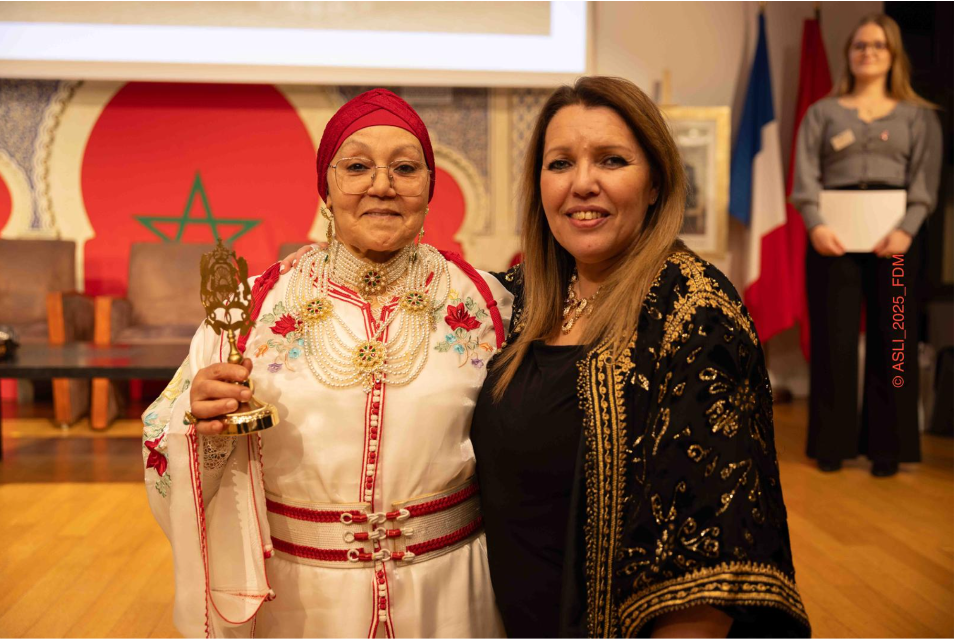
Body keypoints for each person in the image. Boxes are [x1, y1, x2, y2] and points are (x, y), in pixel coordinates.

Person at [282, 77, 809, 637]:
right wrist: (315, 281)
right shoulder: (519, 298)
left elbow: (710, 564)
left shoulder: (694, 315)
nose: (583, 184)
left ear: (655, 181)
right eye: (560, 164)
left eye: (611, 160)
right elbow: (409, 306)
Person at [143, 89, 511, 637]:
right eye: (357, 166)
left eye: (405, 168)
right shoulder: (254, 308)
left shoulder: (491, 305)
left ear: (430, 187)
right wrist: (203, 427)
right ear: (325, 187)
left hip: (450, 597)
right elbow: (163, 437)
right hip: (301, 602)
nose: (381, 185)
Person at [791, 14, 942, 477]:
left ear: (893, 55)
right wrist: (815, 225)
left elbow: (925, 185)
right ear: (849, 54)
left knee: (893, 341)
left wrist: (906, 230)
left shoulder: (920, 117)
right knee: (834, 341)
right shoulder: (822, 112)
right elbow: (805, 179)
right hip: (831, 240)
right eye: (860, 45)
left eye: (878, 45)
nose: (868, 52)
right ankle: (831, 444)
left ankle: (888, 448)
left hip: (895, 241)